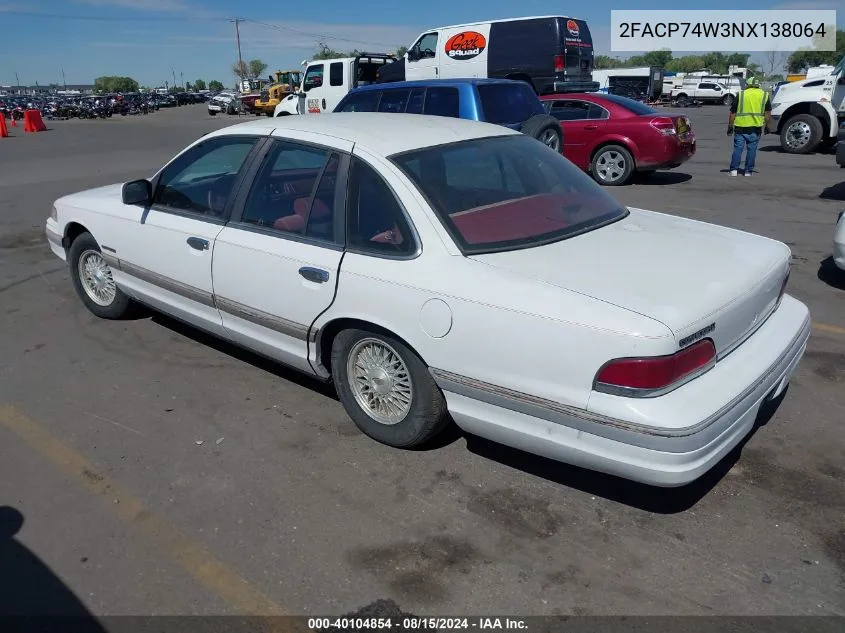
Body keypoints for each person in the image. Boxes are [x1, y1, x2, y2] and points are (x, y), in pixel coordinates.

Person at [727, 76, 772, 177]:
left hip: (740, 127)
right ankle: (748, 171)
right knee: (752, 150)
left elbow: (733, 112)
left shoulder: (741, 94)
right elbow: (768, 112)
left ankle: (734, 170)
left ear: (748, 84)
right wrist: (768, 126)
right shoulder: (764, 95)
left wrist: (730, 126)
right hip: (755, 128)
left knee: (738, 149)